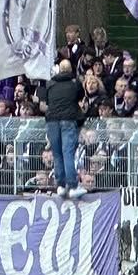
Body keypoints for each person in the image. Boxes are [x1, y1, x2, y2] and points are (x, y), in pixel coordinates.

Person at [42, 59, 84, 198]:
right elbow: (80, 96)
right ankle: (72, 186)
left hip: (52, 121)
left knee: (57, 153)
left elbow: (47, 102)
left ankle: (60, 185)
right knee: (67, 153)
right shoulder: (75, 83)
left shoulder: (50, 84)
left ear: (59, 70)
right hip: (68, 120)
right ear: (70, 70)